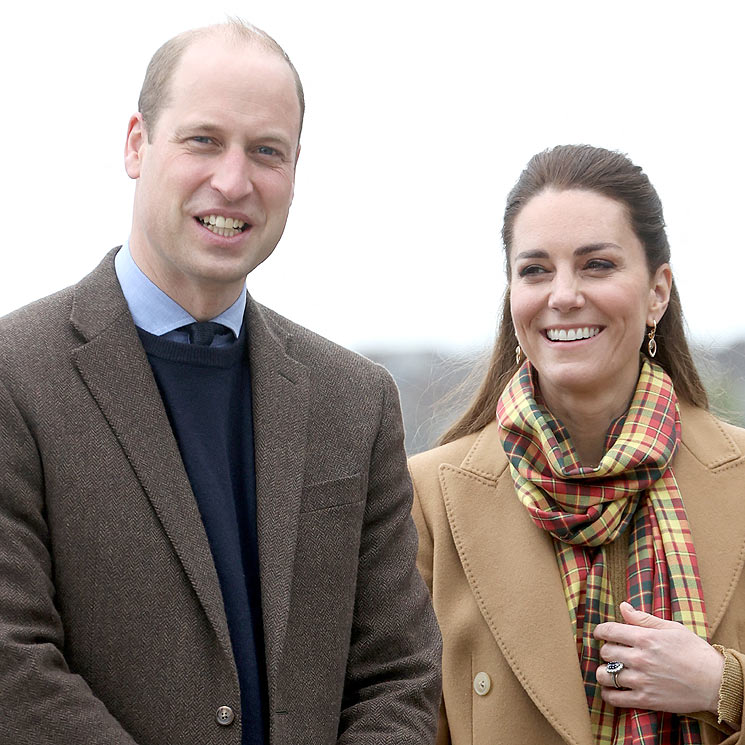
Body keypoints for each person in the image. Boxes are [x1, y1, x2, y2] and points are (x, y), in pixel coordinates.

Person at [0, 20, 441, 745]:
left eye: (267, 151)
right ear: (137, 144)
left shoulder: (356, 402)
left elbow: (399, 671)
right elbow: (14, 667)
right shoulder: (16, 375)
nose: (233, 181)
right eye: (203, 139)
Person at [410, 144, 745, 744]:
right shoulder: (428, 498)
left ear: (657, 292)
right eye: (535, 270)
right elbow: (394, 718)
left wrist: (724, 685)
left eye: (596, 265)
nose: (563, 295)